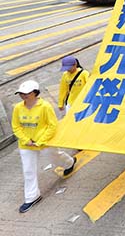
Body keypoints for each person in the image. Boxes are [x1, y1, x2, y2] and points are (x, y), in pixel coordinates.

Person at [11, 80, 77, 213]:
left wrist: (40, 141)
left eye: (26, 94)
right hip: (26, 145)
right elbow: (16, 126)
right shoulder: (18, 108)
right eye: (21, 94)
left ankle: (69, 162)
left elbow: (52, 126)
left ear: (35, 93)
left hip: (44, 142)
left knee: (55, 157)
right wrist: (26, 140)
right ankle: (31, 197)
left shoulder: (45, 106)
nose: (23, 96)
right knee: (28, 171)